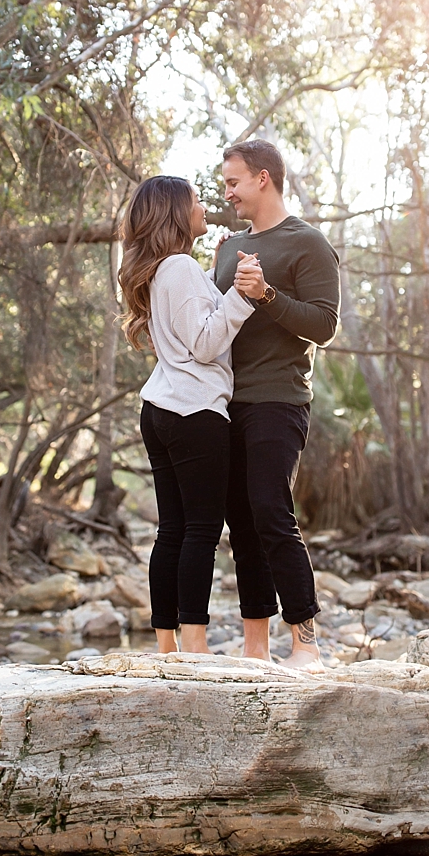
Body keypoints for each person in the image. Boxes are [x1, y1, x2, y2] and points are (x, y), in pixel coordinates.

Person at [119, 175, 263, 655]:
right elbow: (204, 343)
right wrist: (242, 296)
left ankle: (167, 646)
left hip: (160, 408)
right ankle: (196, 647)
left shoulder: (167, 268)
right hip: (194, 410)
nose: (205, 205)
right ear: (177, 213)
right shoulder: (178, 266)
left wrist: (217, 271)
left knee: (173, 529)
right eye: (197, 200)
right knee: (201, 528)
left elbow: (189, 325)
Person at [213, 139, 340, 670]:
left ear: (262, 178)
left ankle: (305, 640)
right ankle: (255, 646)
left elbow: (325, 325)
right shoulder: (225, 248)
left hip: (278, 398)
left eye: (233, 182)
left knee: (269, 507)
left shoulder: (307, 244)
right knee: (239, 521)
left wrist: (267, 294)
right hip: (220, 401)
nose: (227, 193)